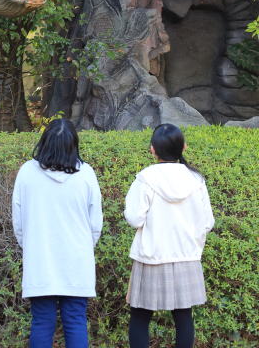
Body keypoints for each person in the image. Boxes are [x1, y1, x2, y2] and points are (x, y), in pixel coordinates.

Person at [12, 118, 103, 348]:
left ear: (44, 142)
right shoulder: (86, 174)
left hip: (40, 259)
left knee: (42, 322)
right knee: (75, 320)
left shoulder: (27, 172)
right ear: (74, 144)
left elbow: (19, 224)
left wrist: (32, 246)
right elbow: (95, 225)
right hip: (77, 261)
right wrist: (83, 247)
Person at [124, 123, 214, 348]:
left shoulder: (146, 179)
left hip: (151, 256)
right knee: (183, 317)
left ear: (152, 149)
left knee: (140, 317)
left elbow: (134, 218)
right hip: (186, 255)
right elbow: (208, 222)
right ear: (184, 147)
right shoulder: (196, 180)